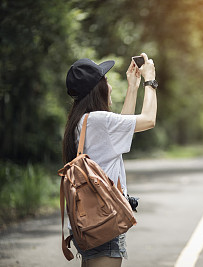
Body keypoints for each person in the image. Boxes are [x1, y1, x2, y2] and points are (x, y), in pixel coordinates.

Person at [62, 53, 157, 267]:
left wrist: (133, 87)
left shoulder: (82, 121)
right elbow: (149, 120)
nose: (110, 86)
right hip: (104, 221)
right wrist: (150, 80)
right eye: (105, 80)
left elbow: (123, 128)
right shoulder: (99, 121)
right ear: (98, 88)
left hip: (88, 220)